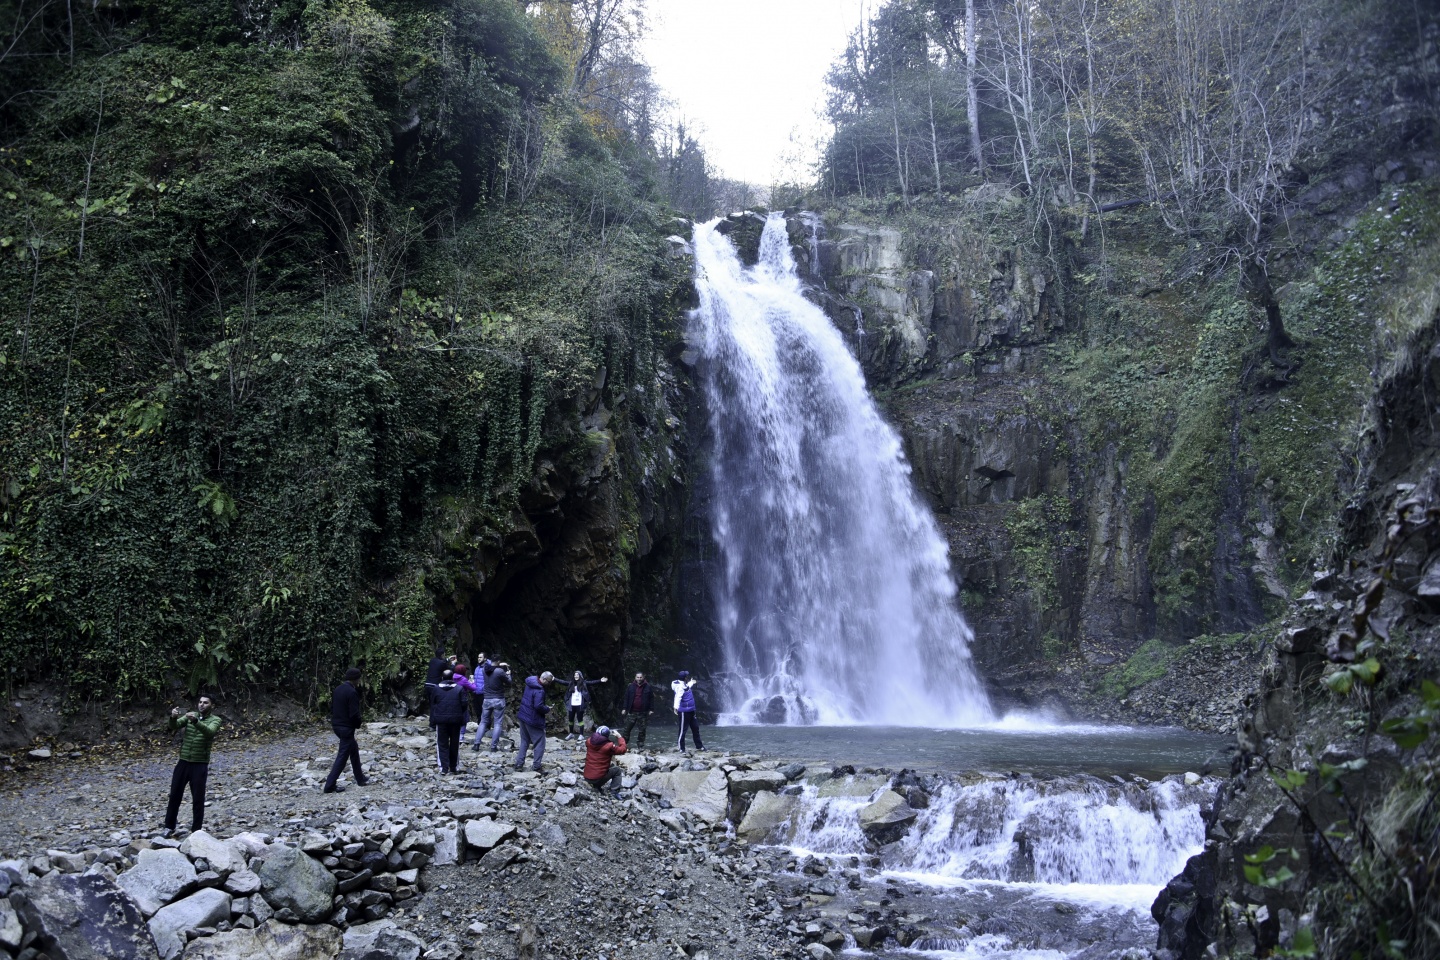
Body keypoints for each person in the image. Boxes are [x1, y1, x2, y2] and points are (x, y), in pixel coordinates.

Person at [163, 695, 222, 835]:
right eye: (200, 702)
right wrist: (173, 717)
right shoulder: (191, 715)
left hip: (199, 764)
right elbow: (174, 726)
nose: (202, 705)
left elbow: (209, 732)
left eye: (205, 703)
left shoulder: (216, 720)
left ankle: (196, 830)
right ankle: (169, 827)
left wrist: (195, 721)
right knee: (174, 795)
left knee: (198, 798)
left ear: (212, 705)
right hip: (183, 761)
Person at [324, 668, 368, 794]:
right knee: (342, 756)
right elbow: (354, 714)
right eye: (359, 679)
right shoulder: (352, 692)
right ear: (356, 679)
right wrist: (358, 724)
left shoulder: (338, 689)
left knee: (353, 749)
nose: (359, 681)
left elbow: (332, 707)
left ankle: (360, 778)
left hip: (337, 726)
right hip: (346, 728)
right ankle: (329, 785)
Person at [428, 668, 469, 775]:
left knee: (442, 744)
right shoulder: (459, 689)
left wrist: (432, 721)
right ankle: (454, 767)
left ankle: (444, 768)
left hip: (441, 720)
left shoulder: (436, 689)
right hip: (455, 720)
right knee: (454, 744)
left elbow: (433, 704)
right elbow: (464, 704)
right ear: (452, 678)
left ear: (442, 677)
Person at [514, 670, 554, 772]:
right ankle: (536, 766)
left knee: (524, 741)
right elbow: (538, 706)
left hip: (523, 716)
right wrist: (547, 709)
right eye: (549, 682)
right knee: (540, 742)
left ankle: (519, 764)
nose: (549, 684)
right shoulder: (540, 690)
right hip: (533, 719)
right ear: (544, 679)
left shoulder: (530, 682)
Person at [472, 660, 512, 752]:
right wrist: (509, 674)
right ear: (498, 661)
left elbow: (491, 667)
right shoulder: (500, 671)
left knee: (483, 722)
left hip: (487, 699)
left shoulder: (484, 670)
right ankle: (493, 747)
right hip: (498, 699)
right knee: (497, 723)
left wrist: (499, 664)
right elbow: (509, 682)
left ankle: (476, 744)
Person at [562, 670, 608, 739]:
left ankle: (581, 735)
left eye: (577, 675)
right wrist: (554, 679)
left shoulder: (583, 683)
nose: (576, 676)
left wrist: (600, 680)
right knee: (570, 719)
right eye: (575, 675)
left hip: (579, 705)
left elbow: (592, 682)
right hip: (571, 705)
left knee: (580, 719)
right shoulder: (571, 683)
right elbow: (563, 682)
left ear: (580, 676)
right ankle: (571, 734)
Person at [583, 725, 627, 795]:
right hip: (597, 779)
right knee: (617, 770)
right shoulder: (609, 746)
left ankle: (596, 786)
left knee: (606, 765)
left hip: (587, 777)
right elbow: (623, 749)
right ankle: (614, 791)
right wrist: (619, 737)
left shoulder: (588, 741)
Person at [619, 672, 654, 748]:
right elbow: (626, 698)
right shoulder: (631, 686)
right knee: (627, 729)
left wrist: (651, 709)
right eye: (638, 677)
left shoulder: (648, 686)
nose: (639, 679)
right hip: (632, 712)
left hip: (643, 712)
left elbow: (651, 698)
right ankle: (623, 745)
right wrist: (624, 708)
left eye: (640, 677)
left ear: (643, 677)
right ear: (635, 678)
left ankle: (640, 746)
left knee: (642, 730)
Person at [672, 670, 703, 752]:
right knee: (682, 730)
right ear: (685, 678)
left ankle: (699, 746)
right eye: (687, 676)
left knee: (695, 728)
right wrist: (675, 708)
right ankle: (681, 748)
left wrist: (692, 682)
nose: (688, 677)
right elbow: (678, 697)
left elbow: (687, 686)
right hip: (684, 712)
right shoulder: (679, 687)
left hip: (691, 710)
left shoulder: (684, 684)